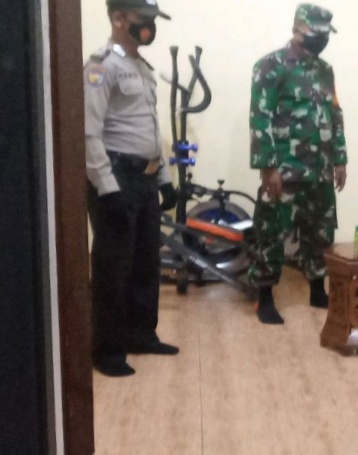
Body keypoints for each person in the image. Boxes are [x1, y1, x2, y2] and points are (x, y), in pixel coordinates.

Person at [84, 0, 179, 377]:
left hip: (145, 178)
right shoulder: (101, 66)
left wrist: (165, 179)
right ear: (119, 18)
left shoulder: (142, 67)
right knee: (113, 268)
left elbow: (149, 130)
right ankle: (107, 350)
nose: (150, 27)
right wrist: (107, 188)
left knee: (145, 263)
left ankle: (141, 335)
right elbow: (89, 133)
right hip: (116, 177)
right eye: (144, 19)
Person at [249, 3, 347, 325]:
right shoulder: (271, 65)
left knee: (320, 231)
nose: (322, 39)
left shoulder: (325, 70)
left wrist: (340, 159)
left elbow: (335, 115)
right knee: (271, 233)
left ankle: (317, 290)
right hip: (285, 168)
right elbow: (260, 117)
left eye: (325, 34)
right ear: (297, 30)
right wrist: (267, 167)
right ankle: (265, 297)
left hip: (320, 167)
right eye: (316, 33)